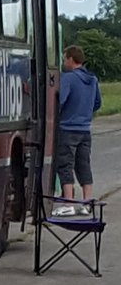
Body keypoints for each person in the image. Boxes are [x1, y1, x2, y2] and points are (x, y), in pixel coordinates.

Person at [53, 45, 102, 217]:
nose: (64, 61)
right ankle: (86, 202)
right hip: (84, 129)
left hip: (67, 127)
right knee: (83, 164)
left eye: (65, 58)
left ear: (71, 60)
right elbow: (98, 103)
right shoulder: (93, 79)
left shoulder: (69, 78)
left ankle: (69, 202)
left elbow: (61, 100)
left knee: (65, 165)